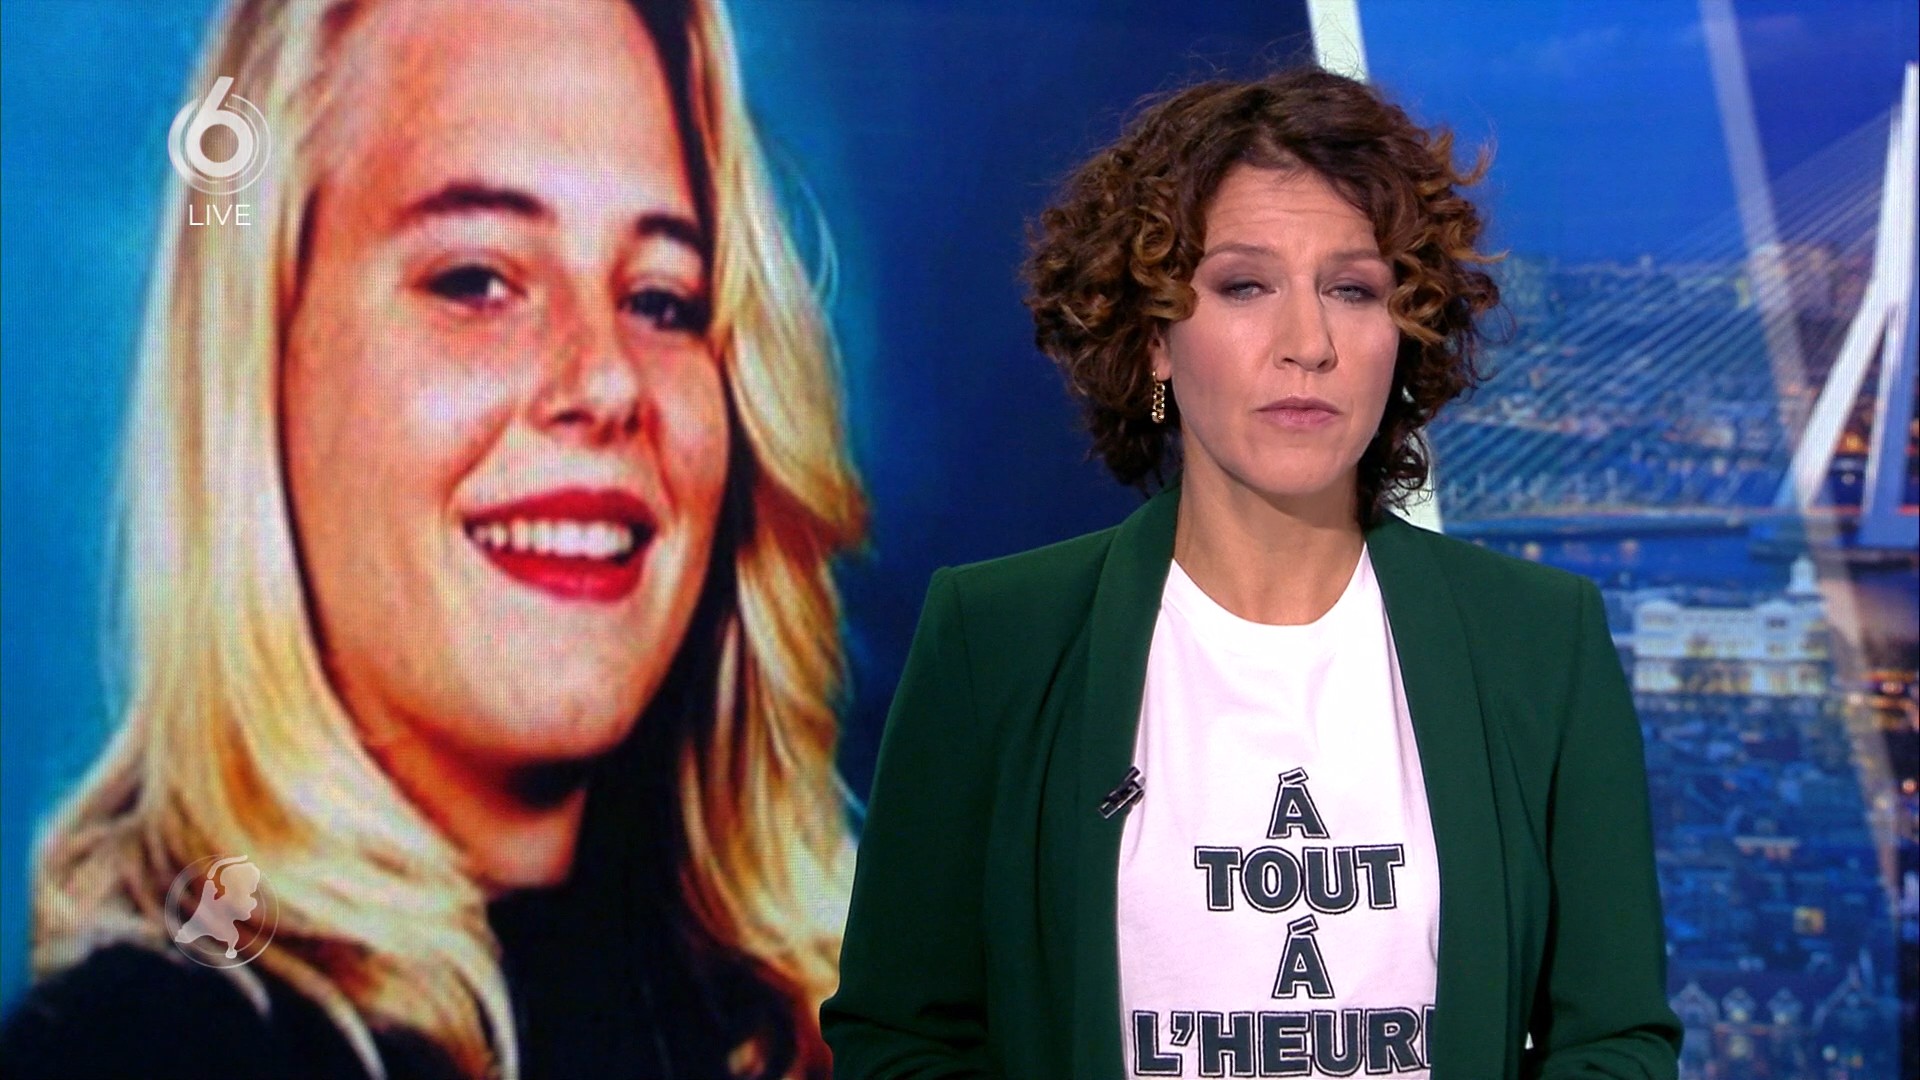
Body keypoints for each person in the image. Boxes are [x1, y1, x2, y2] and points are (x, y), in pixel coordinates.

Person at [1, 1, 863, 1077]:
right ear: (261, 363)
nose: (606, 380)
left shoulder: (826, 1014)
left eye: (662, 298)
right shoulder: (143, 1050)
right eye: (476, 280)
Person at [823, 67, 1682, 1078]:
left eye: (1352, 290)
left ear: (1401, 334)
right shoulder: (997, 638)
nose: (1307, 344)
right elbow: (901, 1037)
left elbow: (1615, 1039)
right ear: (1154, 335)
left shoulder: (1540, 641)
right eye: (1244, 286)